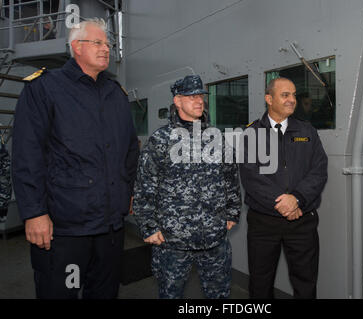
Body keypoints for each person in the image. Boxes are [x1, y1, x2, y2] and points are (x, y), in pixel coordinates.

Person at [12, 18, 139, 299]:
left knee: (104, 293)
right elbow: (26, 155)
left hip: (110, 227)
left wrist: (126, 191)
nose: (106, 49)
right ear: (76, 47)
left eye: (108, 44)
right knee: (63, 293)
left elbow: (130, 150)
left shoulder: (116, 94)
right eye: (98, 43)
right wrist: (34, 213)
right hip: (65, 228)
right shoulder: (44, 88)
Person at [133, 75, 241, 299]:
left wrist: (232, 212)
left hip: (214, 238)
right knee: (170, 294)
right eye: (192, 96)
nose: (199, 101)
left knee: (219, 295)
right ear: (177, 101)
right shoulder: (161, 140)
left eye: (201, 96)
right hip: (173, 240)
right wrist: (149, 227)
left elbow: (230, 178)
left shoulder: (217, 138)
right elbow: (145, 186)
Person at [239, 77, 328, 299]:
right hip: (264, 222)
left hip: (302, 220)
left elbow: (319, 170)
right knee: (260, 283)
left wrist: (296, 198)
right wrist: (284, 202)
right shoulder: (252, 133)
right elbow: (251, 176)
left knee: (306, 282)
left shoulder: (307, 131)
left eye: (294, 95)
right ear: (269, 99)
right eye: (285, 95)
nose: (292, 100)